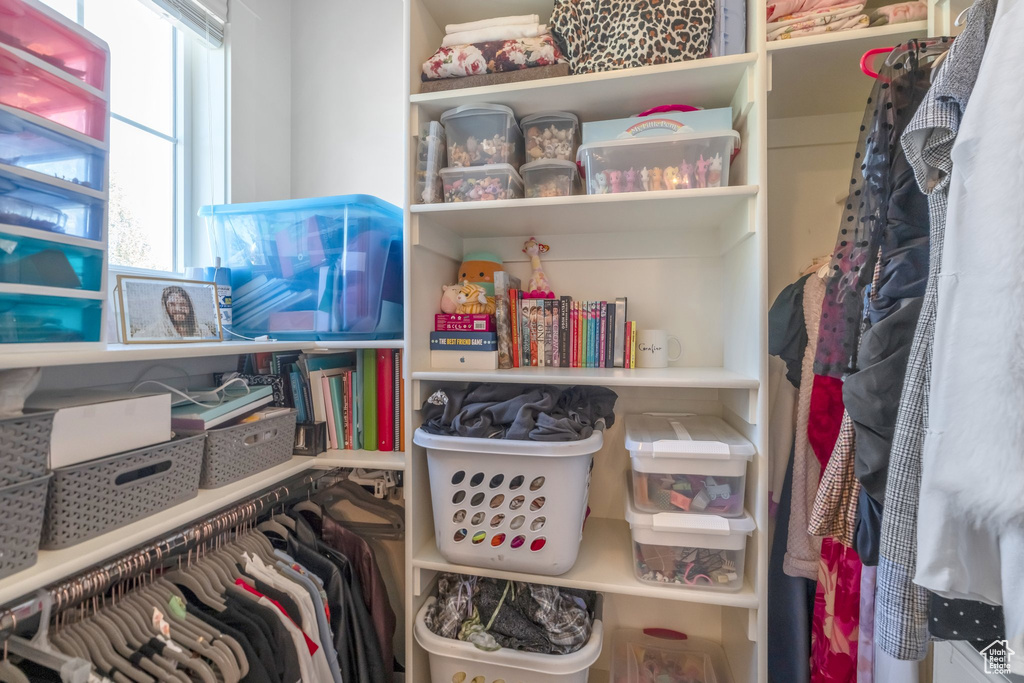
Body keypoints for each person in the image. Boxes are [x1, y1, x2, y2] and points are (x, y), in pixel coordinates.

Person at [137, 285, 219, 339]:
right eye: (172, 305)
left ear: (189, 307)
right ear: (165, 308)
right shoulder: (152, 331)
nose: (178, 309)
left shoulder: (203, 330)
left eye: (183, 304)